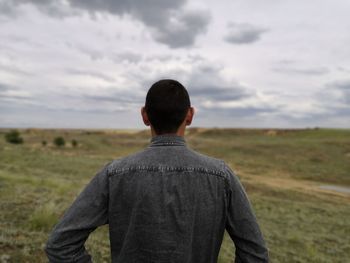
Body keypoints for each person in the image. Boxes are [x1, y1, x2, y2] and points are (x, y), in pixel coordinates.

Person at [45, 79, 269, 263]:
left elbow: (60, 245)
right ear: (190, 115)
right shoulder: (221, 176)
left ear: (144, 116)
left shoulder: (115, 174)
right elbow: (255, 255)